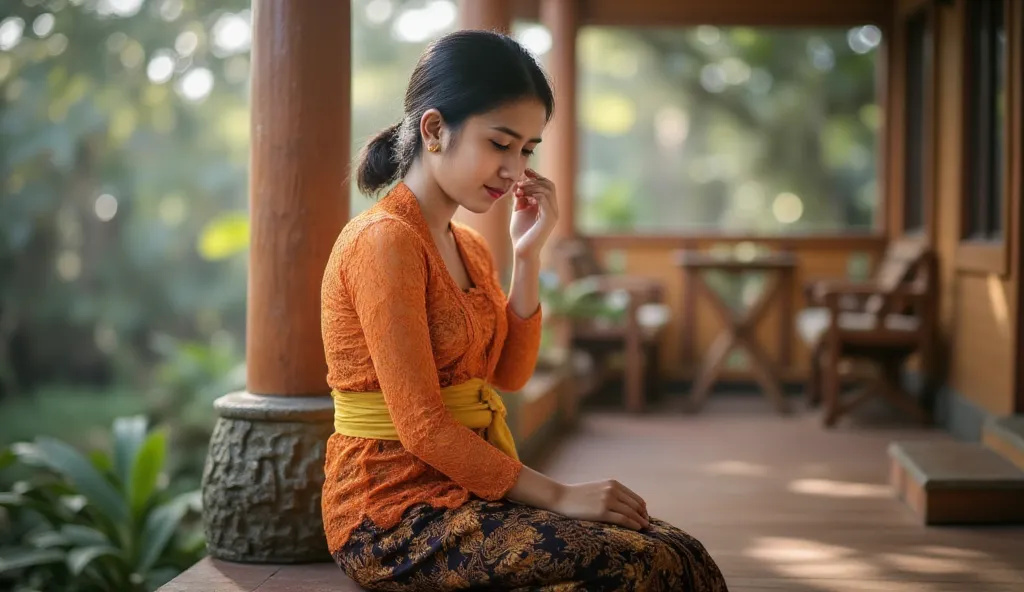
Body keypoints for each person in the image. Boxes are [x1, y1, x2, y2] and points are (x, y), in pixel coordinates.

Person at [320, 29, 729, 591]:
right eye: (500, 143)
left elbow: (508, 376)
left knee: (679, 551)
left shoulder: (469, 246)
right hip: (392, 515)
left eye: (527, 150)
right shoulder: (383, 241)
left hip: (465, 491)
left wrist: (528, 255)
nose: (515, 169)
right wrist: (560, 495)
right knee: (645, 566)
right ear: (435, 129)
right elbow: (422, 427)